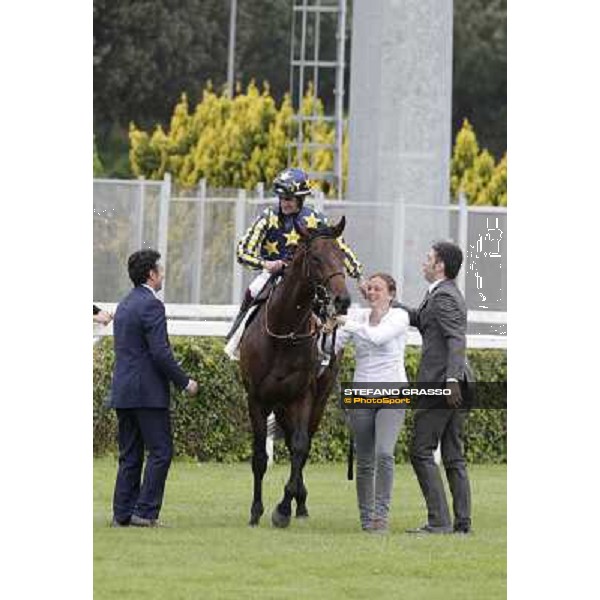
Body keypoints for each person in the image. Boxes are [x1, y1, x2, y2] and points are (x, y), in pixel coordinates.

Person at [109, 249, 198, 527]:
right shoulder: (152, 305)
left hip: (124, 391)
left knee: (130, 455)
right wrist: (184, 381)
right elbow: (160, 352)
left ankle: (122, 513)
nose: (163, 274)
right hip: (147, 393)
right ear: (151, 274)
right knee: (161, 452)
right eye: (159, 270)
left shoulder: (124, 304)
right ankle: (145, 512)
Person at [226, 167, 365, 340]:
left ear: (301, 198)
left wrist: (358, 275)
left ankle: (328, 348)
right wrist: (265, 264)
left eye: (289, 199)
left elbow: (340, 248)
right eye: (282, 198)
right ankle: (236, 337)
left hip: (307, 277)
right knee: (253, 290)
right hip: (273, 274)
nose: (284, 203)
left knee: (328, 302)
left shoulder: (317, 219)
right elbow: (242, 251)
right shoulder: (268, 216)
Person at [400, 241, 473, 535]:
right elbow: (422, 320)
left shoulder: (444, 297)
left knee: (420, 450)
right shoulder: (442, 294)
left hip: (444, 384)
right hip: (452, 382)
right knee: (453, 455)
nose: (424, 262)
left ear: (440, 265)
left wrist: (452, 380)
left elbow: (456, 338)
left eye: (428, 258)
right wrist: (391, 305)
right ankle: (461, 523)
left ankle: (439, 521)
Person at [333, 273, 409, 533]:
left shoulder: (399, 317)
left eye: (379, 289)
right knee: (364, 460)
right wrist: (324, 327)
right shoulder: (358, 318)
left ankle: (381, 516)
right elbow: (331, 346)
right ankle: (367, 520)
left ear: (391, 294)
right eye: (371, 289)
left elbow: (378, 337)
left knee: (384, 453)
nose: (374, 293)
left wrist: (347, 322)